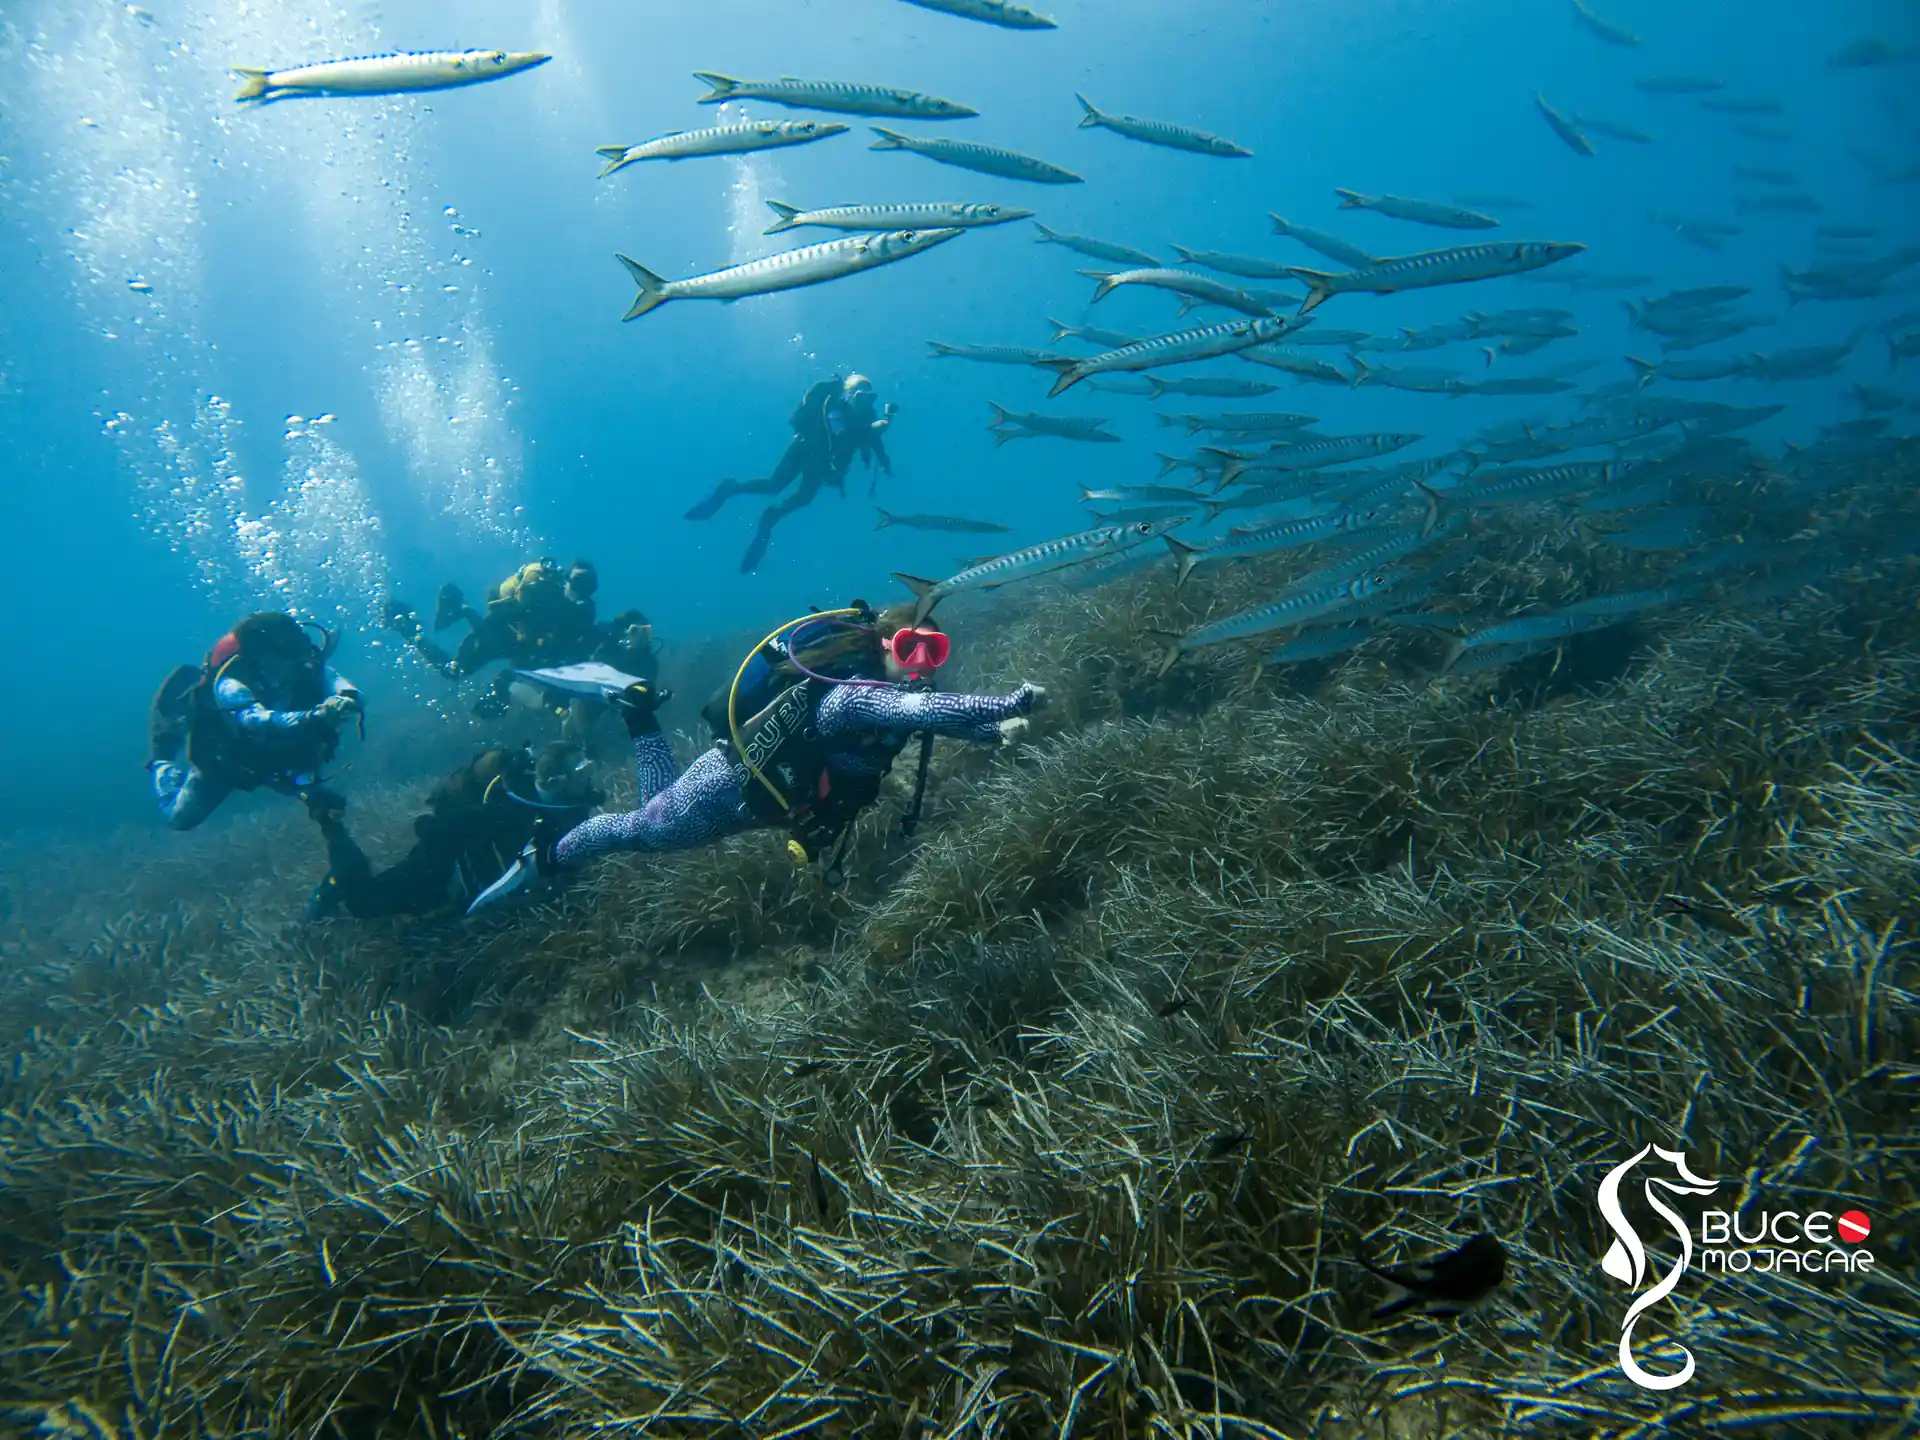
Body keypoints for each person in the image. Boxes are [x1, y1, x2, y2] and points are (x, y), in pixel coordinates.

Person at [468, 600, 1046, 911]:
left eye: (934, 649)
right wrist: (1005, 704)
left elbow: (923, 722)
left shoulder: (892, 696)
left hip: (758, 800)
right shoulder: (850, 698)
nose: (923, 662)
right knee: (645, 829)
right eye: (910, 648)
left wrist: (992, 733)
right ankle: (544, 857)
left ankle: (638, 715)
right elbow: (918, 715)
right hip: (724, 789)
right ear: (882, 646)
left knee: (655, 809)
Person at [306, 741, 599, 919]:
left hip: (470, 880)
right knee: (363, 903)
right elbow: (447, 830)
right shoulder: (512, 809)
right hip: (443, 872)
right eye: (582, 771)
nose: (590, 778)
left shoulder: (570, 807)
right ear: (557, 782)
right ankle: (329, 824)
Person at [147, 611, 362, 831]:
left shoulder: (305, 667)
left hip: (284, 753)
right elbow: (253, 719)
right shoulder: (230, 684)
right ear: (258, 656)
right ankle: (162, 762)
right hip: (230, 760)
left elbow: (340, 684)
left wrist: (345, 698)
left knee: (316, 793)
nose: (293, 659)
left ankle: (312, 800)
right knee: (180, 818)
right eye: (282, 651)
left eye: (294, 649)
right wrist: (315, 716)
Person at [683, 374, 898, 574]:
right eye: (861, 397)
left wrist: (885, 462)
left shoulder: (862, 421)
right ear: (848, 395)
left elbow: (873, 443)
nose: (865, 403)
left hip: (821, 464)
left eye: (870, 398)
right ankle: (728, 489)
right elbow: (843, 435)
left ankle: (770, 518)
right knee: (773, 485)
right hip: (804, 451)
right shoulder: (834, 411)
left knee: (803, 499)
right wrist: (870, 432)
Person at [384, 557, 614, 717]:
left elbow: (571, 649)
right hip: (500, 635)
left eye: (589, 585)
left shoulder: (584, 611)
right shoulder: (541, 591)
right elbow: (497, 615)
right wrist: (523, 632)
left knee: (531, 671)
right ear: (566, 578)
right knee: (453, 672)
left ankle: (502, 684)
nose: (581, 590)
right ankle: (417, 626)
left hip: (526, 649)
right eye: (577, 581)